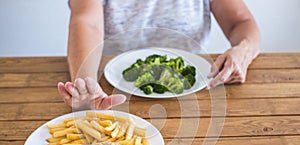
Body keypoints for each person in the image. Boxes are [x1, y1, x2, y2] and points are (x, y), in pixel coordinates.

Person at [58, 0, 260, 110]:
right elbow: (86, 22)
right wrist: (86, 86)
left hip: (198, 95)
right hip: (112, 94)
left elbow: (241, 22)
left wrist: (244, 50)